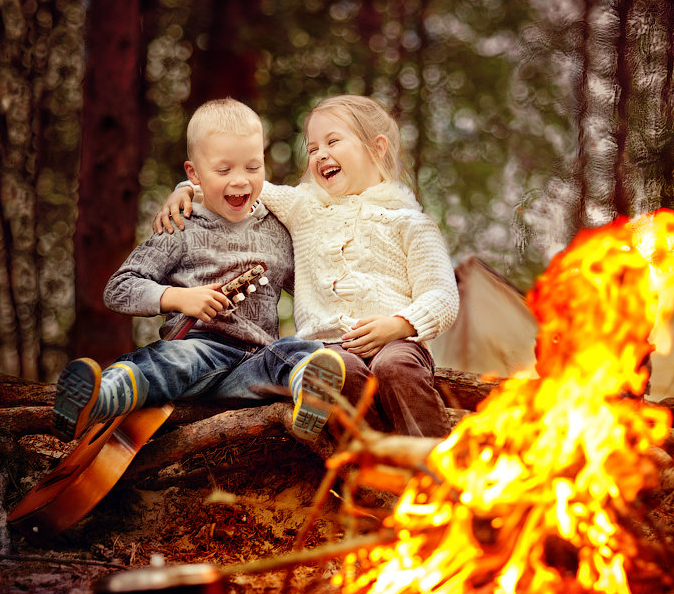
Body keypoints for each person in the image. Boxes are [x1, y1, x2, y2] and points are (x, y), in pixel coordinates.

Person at [154, 94, 459, 438]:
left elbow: (442, 296)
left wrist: (400, 324)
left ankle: (433, 470)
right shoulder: (304, 206)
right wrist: (186, 189)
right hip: (325, 349)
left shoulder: (411, 223)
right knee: (342, 374)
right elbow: (243, 185)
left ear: (377, 147)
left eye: (332, 141)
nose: (320, 155)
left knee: (396, 366)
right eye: (312, 148)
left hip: (398, 342)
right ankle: (372, 472)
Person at [53, 98, 345, 444]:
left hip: (254, 365)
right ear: (193, 174)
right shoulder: (181, 226)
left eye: (252, 168)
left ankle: (309, 395)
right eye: (224, 171)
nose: (240, 180)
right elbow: (119, 288)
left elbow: (312, 286)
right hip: (197, 353)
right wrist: (177, 297)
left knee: (297, 350)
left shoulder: (277, 229)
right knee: (171, 360)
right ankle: (97, 399)